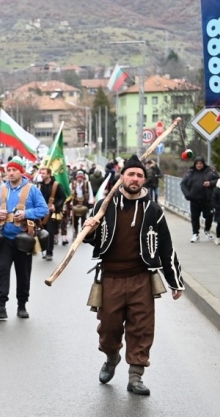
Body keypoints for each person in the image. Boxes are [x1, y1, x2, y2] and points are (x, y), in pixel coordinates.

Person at [84, 155, 184, 395]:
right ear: (122, 177)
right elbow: (92, 240)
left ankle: (136, 376)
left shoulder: (153, 210)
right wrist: (89, 229)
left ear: (143, 180)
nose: (135, 178)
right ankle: (111, 358)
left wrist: (175, 281)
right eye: (131, 174)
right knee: (108, 329)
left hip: (141, 278)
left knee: (142, 328)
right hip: (111, 278)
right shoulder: (104, 206)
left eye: (139, 175)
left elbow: (166, 248)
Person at [0, 158, 49, 319]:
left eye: (14, 170)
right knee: (2, 270)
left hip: (23, 238)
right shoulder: (1, 190)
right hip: (4, 238)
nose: (11, 173)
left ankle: (22, 305)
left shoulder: (32, 189)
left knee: (23, 273)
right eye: (9, 170)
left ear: (21, 171)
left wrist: (27, 213)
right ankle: (0, 306)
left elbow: (44, 209)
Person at [180, 157, 219, 242]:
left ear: (203, 164)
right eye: (197, 163)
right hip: (194, 200)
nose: (199, 165)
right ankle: (195, 234)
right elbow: (183, 184)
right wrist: (187, 194)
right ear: (195, 164)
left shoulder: (210, 171)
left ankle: (207, 230)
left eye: (200, 163)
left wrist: (210, 183)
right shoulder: (190, 172)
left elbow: (218, 180)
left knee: (209, 216)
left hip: (207, 199)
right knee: (194, 217)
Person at [37, 166, 67, 259]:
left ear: (49, 174)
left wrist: (55, 205)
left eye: (43, 173)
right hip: (40, 212)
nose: (41, 175)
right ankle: (44, 249)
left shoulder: (56, 185)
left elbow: (63, 197)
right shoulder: (38, 185)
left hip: (51, 212)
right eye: (41, 173)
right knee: (42, 231)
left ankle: (49, 252)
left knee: (49, 232)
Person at [66, 170, 94, 236]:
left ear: (83, 177)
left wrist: (90, 201)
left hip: (84, 202)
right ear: (76, 177)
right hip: (75, 202)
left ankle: (82, 232)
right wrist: (70, 203)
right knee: (75, 218)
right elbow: (69, 193)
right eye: (78, 177)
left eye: (81, 177)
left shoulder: (87, 183)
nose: (80, 178)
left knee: (84, 218)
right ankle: (75, 231)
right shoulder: (72, 184)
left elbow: (90, 192)